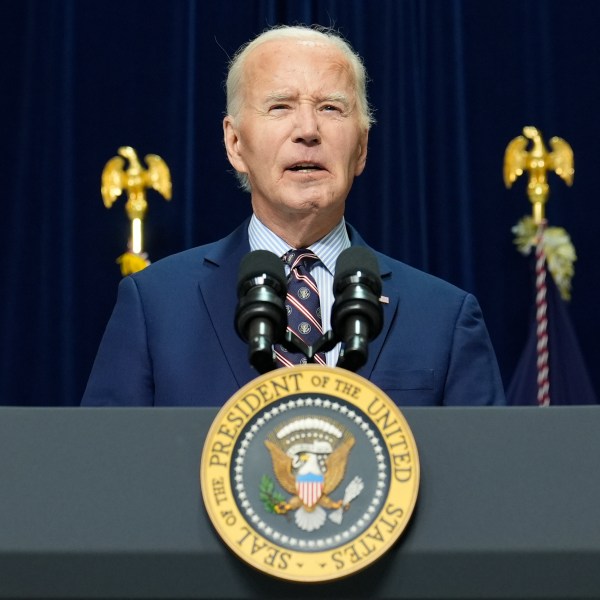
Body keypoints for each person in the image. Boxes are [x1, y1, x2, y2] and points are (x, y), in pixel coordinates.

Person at [81, 24, 505, 407]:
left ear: (361, 148)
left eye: (331, 108)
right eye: (281, 107)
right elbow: (104, 470)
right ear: (234, 144)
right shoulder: (153, 305)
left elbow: (485, 479)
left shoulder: (444, 316)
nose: (307, 130)